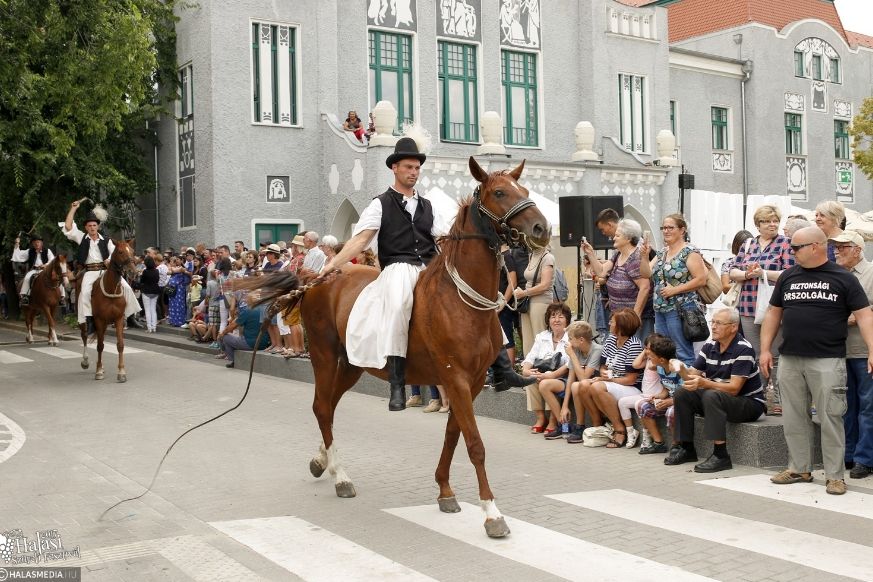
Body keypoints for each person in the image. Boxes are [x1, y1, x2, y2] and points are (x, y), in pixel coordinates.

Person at [319, 138, 448, 410]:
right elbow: (360, 240)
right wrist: (333, 264)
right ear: (394, 168)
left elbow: (442, 239)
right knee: (399, 304)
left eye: (417, 168)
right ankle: (397, 382)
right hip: (398, 267)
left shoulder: (428, 206)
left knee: (469, 296)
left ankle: (500, 364)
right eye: (408, 167)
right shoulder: (380, 204)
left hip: (429, 266)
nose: (413, 172)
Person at [760, 227, 873, 495]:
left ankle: (835, 476)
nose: (792, 252)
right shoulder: (788, 276)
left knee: (831, 417)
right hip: (790, 357)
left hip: (827, 359)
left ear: (816, 246)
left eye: (796, 248)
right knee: (793, 418)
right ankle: (799, 468)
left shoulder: (843, 278)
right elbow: (774, 313)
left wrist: (872, 348)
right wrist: (765, 349)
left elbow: (864, 315)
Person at [667, 307, 764, 472]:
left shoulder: (744, 348)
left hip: (749, 403)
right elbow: (691, 377)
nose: (713, 326)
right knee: (682, 393)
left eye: (718, 323)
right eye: (712, 322)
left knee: (711, 395)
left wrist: (705, 383)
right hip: (720, 397)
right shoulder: (710, 345)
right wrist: (680, 368)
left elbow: (734, 388)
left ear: (733, 327)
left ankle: (721, 455)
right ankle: (686, 448)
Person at [831, 231, 873, 479]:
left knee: (868, 407)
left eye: (842, 247)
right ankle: (848, 454)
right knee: (845, 406)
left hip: (865, 351)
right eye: (835, 247)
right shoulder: (836, 275)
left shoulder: (871, 273)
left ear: (857, 250)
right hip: (841, 351)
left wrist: (853, 317)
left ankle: (864, 459)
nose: (837, 251)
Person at [640, 213, 708, 365]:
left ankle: (686, 380)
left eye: (670, 227)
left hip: (681, 308)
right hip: (660, 309)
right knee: (662, 352)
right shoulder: (662, 252)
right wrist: (644, 257)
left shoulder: (689, 252)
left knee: (682, 351)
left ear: (682, 230)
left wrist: (675, 290)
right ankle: (668, 380)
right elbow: (646, 274)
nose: (666, 231)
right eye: (664, 228)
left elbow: (701, 279)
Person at [60, 200, 138, 328]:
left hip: (106, 271)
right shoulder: (81, 237)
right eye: (89, 225)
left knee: (127, 288)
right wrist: (73, 208)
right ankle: (89, 320)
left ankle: (130, 317)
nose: (92, 227)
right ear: (86, 227)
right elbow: (68, 226)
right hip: (90, 272)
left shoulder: (106, 240)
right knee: (85, 293)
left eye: (94, 225)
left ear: (98, 226)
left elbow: (114, 253)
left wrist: (109, 260)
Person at [574, 308, 643, 448]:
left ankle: (619, 429)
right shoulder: (611, 339)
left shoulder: (634, 345)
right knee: (583, 385)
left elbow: (631, 379)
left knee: (597, 386)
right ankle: (598, 425)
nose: (609, 323)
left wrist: (607, 379)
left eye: (612, 322)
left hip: (632, 387)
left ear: (621, 327)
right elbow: (603, 366)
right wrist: (604, 373)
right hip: (612, 382)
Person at [582, 218, 654, 341]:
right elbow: (601, 272)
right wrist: (590, 253)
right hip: (620, 318)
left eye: (617, 235)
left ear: (628, 238)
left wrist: (635, 317)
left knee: (634, 350)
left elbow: (645, 287)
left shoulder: (635, 259)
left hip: (633, 322)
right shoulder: (618, 254)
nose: (613, 238)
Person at [521, 302, 571, 434]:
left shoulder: (570, 337)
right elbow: (530, 357)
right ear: (548, 320)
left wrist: (552, 375)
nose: (556, 320)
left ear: (567, 320)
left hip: (562, 377)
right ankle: (541, 418)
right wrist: (526, 370)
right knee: (530, 379)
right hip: (544, 374)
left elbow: (569, 364)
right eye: (553, 316)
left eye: (561, 317)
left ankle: (553, 421)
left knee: (546, 381)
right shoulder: (542, 337)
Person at [635, 334, 683, 454]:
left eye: (651, 356)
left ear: (661, 360)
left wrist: (669, 402)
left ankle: (677, 445)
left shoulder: (679, 369)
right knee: (643, 406)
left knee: (671, 412)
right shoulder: (660, 368)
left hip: (682, 401)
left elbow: (687, 394)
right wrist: (658, 396)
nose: (649, 358)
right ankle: (658, 443)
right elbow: (667, 388)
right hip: (670, 399)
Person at [559, 321, 603, 443]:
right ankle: (580, 426)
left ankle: (594, 423)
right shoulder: (576, 350)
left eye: (570, 338)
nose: (568, 342)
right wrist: (564, 406)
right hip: (584, 388)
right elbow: (571, 378)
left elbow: (584, 378)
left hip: (598, 387)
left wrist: (572, 355)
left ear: (581, 340)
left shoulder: (597, 350)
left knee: (578, 384)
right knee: (574, 385)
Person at [513, 245, 555, 355]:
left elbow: (545, 285)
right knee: (528, 341)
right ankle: (529, 364)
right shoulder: (532, 255)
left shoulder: (547, 257)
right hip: (528, 302)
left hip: (540, 302)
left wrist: (524, 293)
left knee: (541, 338)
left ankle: (544, 364)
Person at [218, 303, 269, 368]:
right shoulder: (264, 309)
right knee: (231, 337)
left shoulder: (248, 310)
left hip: (250, 343)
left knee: (224, 337)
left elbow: (232, 326)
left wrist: (222, 334)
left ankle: (233, 360)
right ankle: (230, 356)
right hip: (264, 343)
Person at [12, 234, 56, 306]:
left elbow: (52, 260)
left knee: (56, 277)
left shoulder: (47, 251)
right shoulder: (29, 251)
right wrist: (17, 243)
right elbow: (18, 255)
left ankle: (62, 297)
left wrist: (45, 265)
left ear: (41, 243)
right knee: (27, 278)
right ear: (32, 244)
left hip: (45, 270)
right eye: (34, 242)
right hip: (34, 270)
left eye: (38, 242)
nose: (36, 244)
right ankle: (25, 296)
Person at [720, 229, 754, 294]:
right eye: (743, 246)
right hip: (736, 299)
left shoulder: (756, 261)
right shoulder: (729, 263)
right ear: (737, 246)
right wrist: (749, 286)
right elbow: (725, 287)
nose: (746, 249)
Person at [140, 256, 161, 333]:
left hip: (146, 291)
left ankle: (149, 328)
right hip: (155, 291)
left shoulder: (145, 271)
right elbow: (157, 280)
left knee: (147, 310)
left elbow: (142, 281)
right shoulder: (157, 271)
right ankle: (154, 327)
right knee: (153, 309)